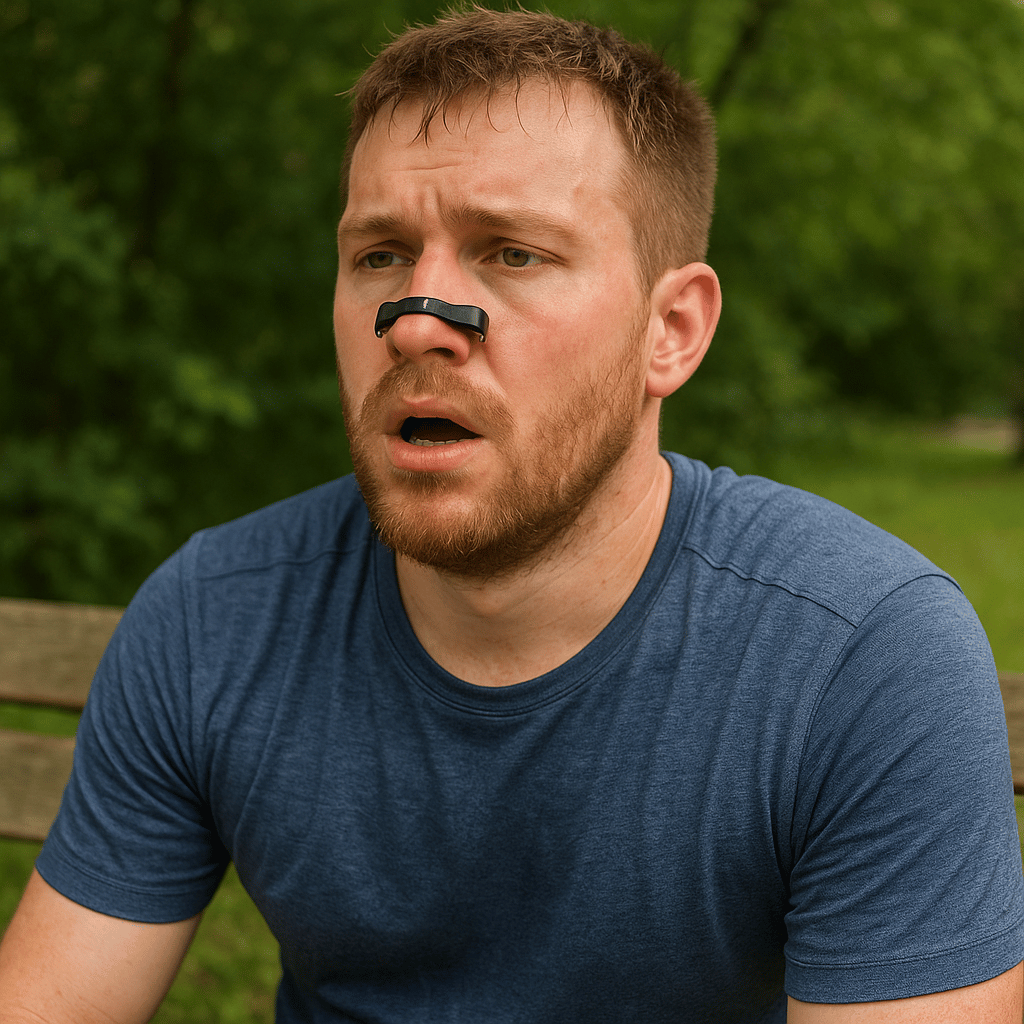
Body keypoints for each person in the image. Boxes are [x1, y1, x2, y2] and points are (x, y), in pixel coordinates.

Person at [1, 8, 1021, 1022]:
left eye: (512, 253)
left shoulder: (861, 658)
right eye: (380, 256)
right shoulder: (210, 620)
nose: (417, 321)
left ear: (670, 330)